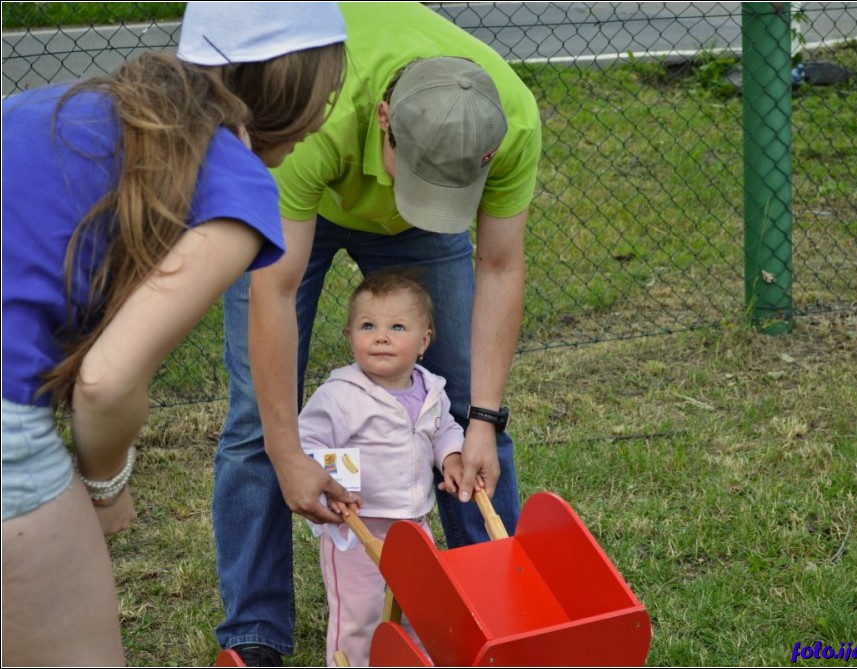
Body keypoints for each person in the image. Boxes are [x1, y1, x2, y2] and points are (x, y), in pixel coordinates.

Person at [0, 3, 350, 665]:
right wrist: (106, 486)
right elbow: (106, 382)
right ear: (294, 88)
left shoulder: (58, 103)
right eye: (326, 95)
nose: (325, 116)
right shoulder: (237, 185)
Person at [213, 3, 542, 664]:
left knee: (468, 419)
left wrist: (481, 418)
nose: (409, 199)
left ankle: (494, 617)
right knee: (257, 424)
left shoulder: (509, 119)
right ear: (386, 122)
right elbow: (274, 289)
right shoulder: (314, 113)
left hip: (411, 219)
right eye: (411, 178)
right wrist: (289, 453)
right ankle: (253, 635)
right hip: (301, 192)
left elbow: (500, 265)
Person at [298, 270, 465, 667]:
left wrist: (452, 457)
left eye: (397, 327)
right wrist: (336, 484)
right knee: (360, 614)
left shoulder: (431, 391)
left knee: (416, 607)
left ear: (424, 341)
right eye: (368, 325)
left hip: (414, 526)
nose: (381, 336)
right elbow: (305, 443)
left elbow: (444, 430)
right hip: (357, 528)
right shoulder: (341, 395)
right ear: (350, 335)